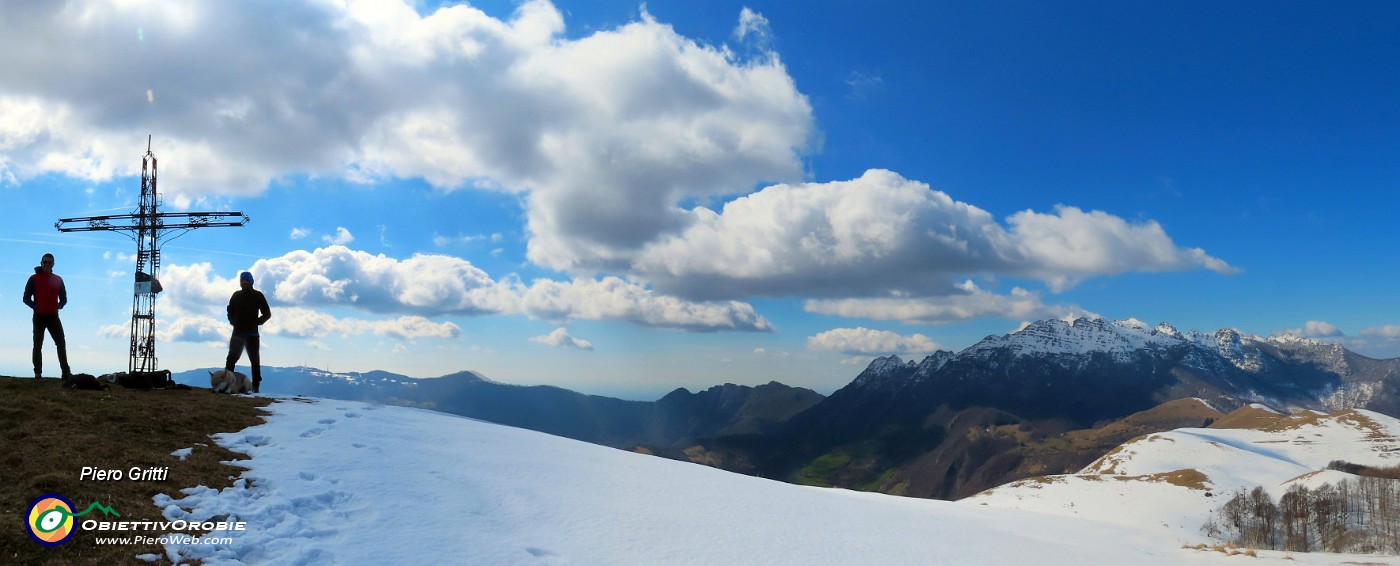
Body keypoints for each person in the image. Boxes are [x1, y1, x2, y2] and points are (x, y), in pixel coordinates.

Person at [24, 253, 72, 379]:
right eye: (45, 262)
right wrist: (36, 307)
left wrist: (59, 305)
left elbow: (64, 299)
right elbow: (26, 298)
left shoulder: (58, 279)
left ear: (53, 264)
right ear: (41, 263)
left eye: (49, 262)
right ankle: (38, 373)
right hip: (39, 316)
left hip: (53, 317)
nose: (47, 264)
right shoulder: (34, 278)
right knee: (38, 344)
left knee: (61, 343)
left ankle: (66, 372)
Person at [225, 271, 271, 393]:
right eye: (242, 281)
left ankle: (255, 387)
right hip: (242, 334)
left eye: (246, 281)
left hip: (248, 334)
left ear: (250, 282)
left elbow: (267, 314)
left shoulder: (257, 295)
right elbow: (230, 310)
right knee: (233, 359)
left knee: (251, 360)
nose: (244, 283)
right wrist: (232, 321)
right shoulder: (236, 295)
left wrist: (257, 322)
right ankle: (228, 384)